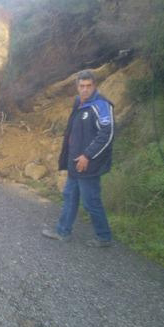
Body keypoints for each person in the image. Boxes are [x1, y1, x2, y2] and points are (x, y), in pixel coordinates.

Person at [42, 70, 114, 247]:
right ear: (77, 87)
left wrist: (87, 155)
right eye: (82, 86)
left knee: (91, 202)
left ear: (94, 86)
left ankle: (104, 237)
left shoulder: (101, 105)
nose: (85, 89)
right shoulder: (79, 103)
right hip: (75, 162)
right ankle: (62, 231)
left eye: (89, 86)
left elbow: (107, 134)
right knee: (69, 196)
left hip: (89, 164)